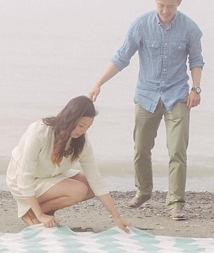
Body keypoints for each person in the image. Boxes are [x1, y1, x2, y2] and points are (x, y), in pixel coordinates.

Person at [88, 0, 204, 221]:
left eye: (170, 6)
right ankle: (143, 191)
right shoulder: (140, 25)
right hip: (146, 95)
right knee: (141, 148)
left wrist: (196, 89)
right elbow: (121, 58)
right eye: (161, 5)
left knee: (177, 150)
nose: (165, 10)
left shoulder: (190, 28)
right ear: (155, 0)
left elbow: (196, 61)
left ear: (179, 3)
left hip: (178, 96)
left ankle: (175, 203)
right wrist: (99, 83)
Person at [7, 95, 131, 232]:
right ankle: (32, 212)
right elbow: (24, 178)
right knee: (78, 190)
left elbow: (96, 180)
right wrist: (40, 215)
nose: (83, 131)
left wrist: (117, 217)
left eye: (88, 127)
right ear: (70, 118)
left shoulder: (82, 142)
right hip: (22, 180)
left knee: (90, 185)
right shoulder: (39, 132)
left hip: (50, 174)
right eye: (81, 125)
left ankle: (45, 211)